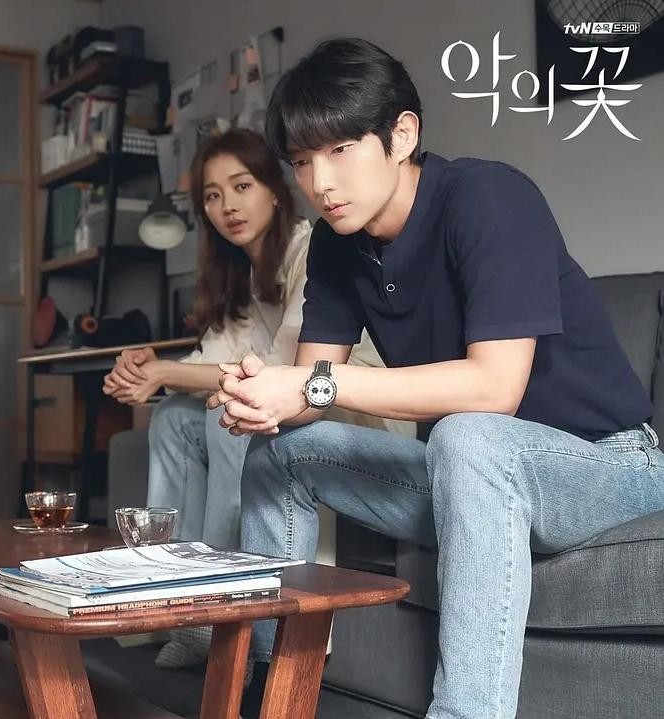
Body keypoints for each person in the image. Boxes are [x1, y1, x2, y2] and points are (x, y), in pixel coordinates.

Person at [207, 39, 664, 719]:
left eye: (340, 150)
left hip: (608, 466)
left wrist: (310, 386)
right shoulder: (336, 243)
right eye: (302, 161)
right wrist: (263, 395)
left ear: (401, 135)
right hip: (467, 475)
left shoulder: (489, 196)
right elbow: (309, 385)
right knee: (282, 451)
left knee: (468, 435)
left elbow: (493, 389)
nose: (320, 182)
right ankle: (271, 694)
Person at [102, 128, 410, 669]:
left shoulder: (310, 250)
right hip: (281, 400)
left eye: (241, 186)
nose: (227, 206)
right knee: (174, 417)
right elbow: (209, 362)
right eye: (213, 195)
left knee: (232, 409)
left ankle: (223, 611)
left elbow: (285, 373)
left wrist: (165, 371)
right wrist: (148, 372)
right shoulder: (239, 276)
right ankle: (172, 598)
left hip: (350, 407)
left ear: (273, 189)